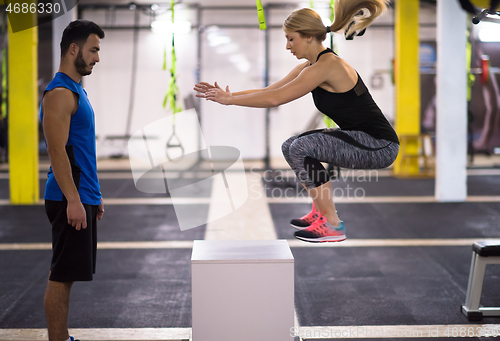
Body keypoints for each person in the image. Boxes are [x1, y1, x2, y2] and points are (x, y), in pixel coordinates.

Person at [194, 0, 399, 243]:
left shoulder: (327, 66)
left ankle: (333, 224)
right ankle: (320, 213)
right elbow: (271, 89)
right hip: (362, 140)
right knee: (290, 146)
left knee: (302, 147)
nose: (288, 46)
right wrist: (228, 96)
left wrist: (229, 101)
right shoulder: (310, 66)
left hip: (379, 146)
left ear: (310, 37)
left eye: (291, 39)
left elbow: (274, 99)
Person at [40, 20, 105, 341]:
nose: (96, 57)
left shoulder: (77, 89)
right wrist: (75, 200)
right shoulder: (60, 92)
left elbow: (79, 148)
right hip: (69, 196)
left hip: (82, 194)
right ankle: (58, 339)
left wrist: (94, 196)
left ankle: (62, 337)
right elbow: (56, 151)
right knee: (61, 274)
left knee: (68, 273)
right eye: (93, 49)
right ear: (73, 49)